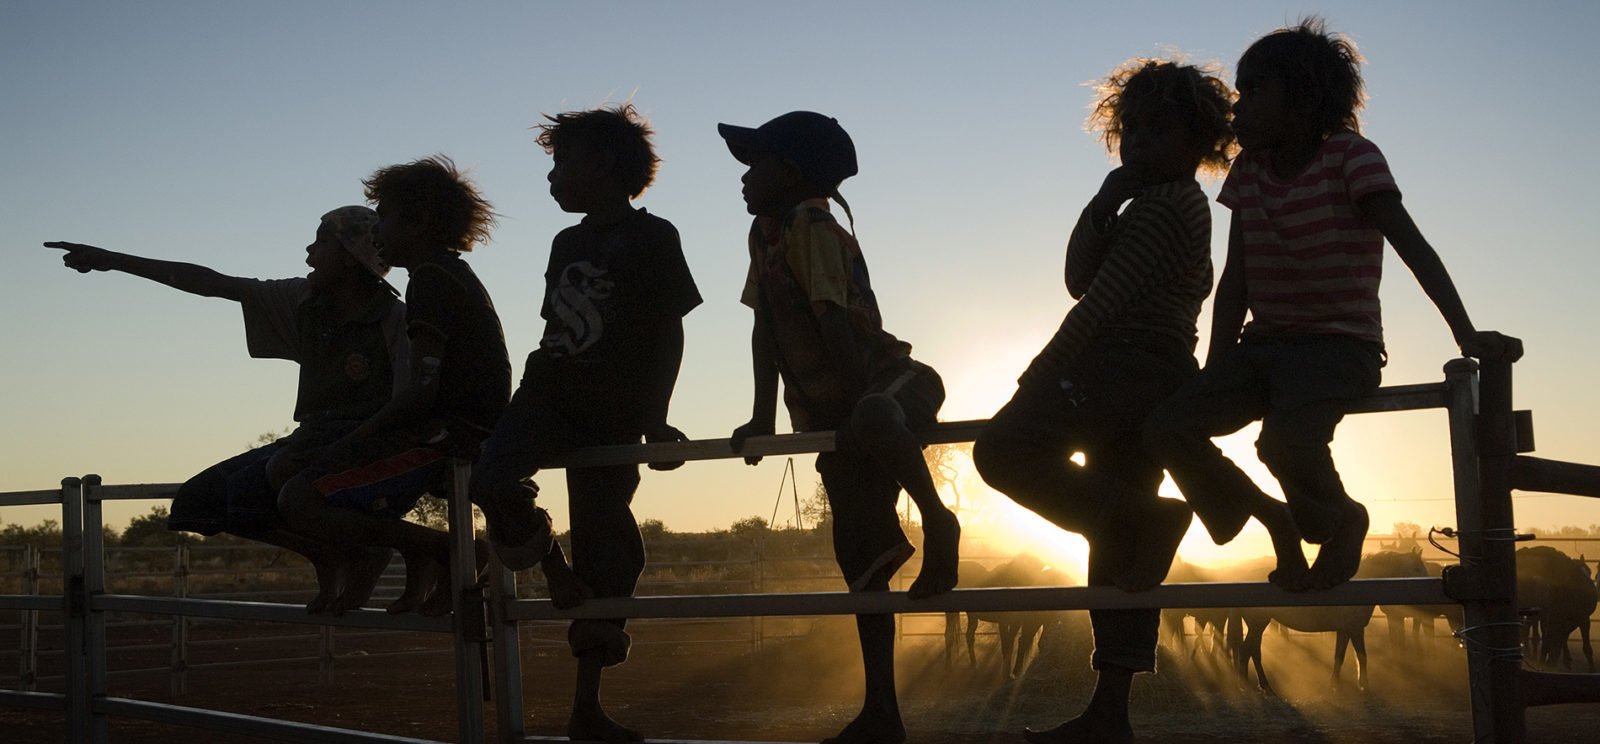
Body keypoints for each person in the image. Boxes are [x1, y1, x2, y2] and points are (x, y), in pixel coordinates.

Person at [1143, 18, 1516, 592]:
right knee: (1168, 425)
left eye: (1253, 93)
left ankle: (1341, 519)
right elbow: (1237, 280)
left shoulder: (1351, 157)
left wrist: (1465, 334)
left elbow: (1413, 246)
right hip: (1263, 347)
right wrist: (1218, 364)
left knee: (1284, 444)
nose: (1238, 111)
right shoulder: (1250, 172)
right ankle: (1277, 517)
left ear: (1304, 99)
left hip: (1339, 346)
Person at [972, 58, 1235, 744]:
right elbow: (1077, 274)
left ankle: (1146, 521)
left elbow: (1098, 302)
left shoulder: (1171, 204)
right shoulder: (1149, 203)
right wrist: (1103, 197)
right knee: (1113, 540)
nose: (1141, 141)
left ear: (1199, 140)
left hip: (1124, 366)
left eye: (1159, 128)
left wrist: (1038, 371)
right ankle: (1109, 711)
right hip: (1150, 376)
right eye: (1132, 129)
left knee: (1002, 450)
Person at [721, 111, 958, 744]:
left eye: (756, 164)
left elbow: (831, 323)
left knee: (878, 417)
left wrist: (854, 412)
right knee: (862, 565)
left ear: (791, 173)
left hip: (890, 383)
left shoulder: (810, 225)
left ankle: (938, 518)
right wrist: (763, 418)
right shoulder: (765, 232)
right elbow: (765, 324)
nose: (744, 177)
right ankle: (882, 711)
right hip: (840, 416)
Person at [44, 206, 408, 614]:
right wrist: (113, 260)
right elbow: (212, 283)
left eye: (320, 241)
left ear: (349, 254)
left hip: (364, 442)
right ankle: (331, 555)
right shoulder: (303, 300)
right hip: (313, 436)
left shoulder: (394, 319)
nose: (308, 252)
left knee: (283, 474)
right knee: (201, 500)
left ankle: (372, 550)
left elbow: (406, 402)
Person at [470, 104, 701, 744]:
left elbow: (668, 331)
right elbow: (554, 329)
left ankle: (586, 709)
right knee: (490, 478)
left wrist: (656, 418)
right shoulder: (565, 243)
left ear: (601, 166)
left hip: (614, 409)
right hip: (546, 393)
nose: (551, 178)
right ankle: (552, 567)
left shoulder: (655, 238)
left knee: (608, 543)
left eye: (561, 163)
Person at [277, 156, 512, 615]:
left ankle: (446, 550)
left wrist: (353, 440)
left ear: (417, 220)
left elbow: (423, 389)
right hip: (461, 425)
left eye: (382, 215)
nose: (377, 230)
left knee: (300, 497)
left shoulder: (430, 281)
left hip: (452, 431)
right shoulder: (445, 276)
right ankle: (434, 555)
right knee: (307, 482)